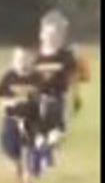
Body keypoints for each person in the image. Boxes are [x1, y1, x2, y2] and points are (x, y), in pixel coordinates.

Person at [33, 10, 83, 169]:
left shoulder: (66, 57)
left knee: (57, 133)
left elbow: (74, 78)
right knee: (38, 133)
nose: (52, 38)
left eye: (56, 35)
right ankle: (42, 153)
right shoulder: (36, 56)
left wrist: (76, 96)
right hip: (39, 101)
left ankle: (45, 151)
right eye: (49, 35)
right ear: (42, 35)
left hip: (57, 100)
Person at [0, 47, 45, 183]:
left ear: (31, 60)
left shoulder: (37, 77)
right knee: (11, 151)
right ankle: (20, 177)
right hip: (11, 119)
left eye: (25, 59)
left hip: (31, 120)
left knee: (28, 151)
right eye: (19, 60)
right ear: (13, 61)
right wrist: (11, 103)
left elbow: (44, 98)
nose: (22, 63)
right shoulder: (8, 76)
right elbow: (1, 96)